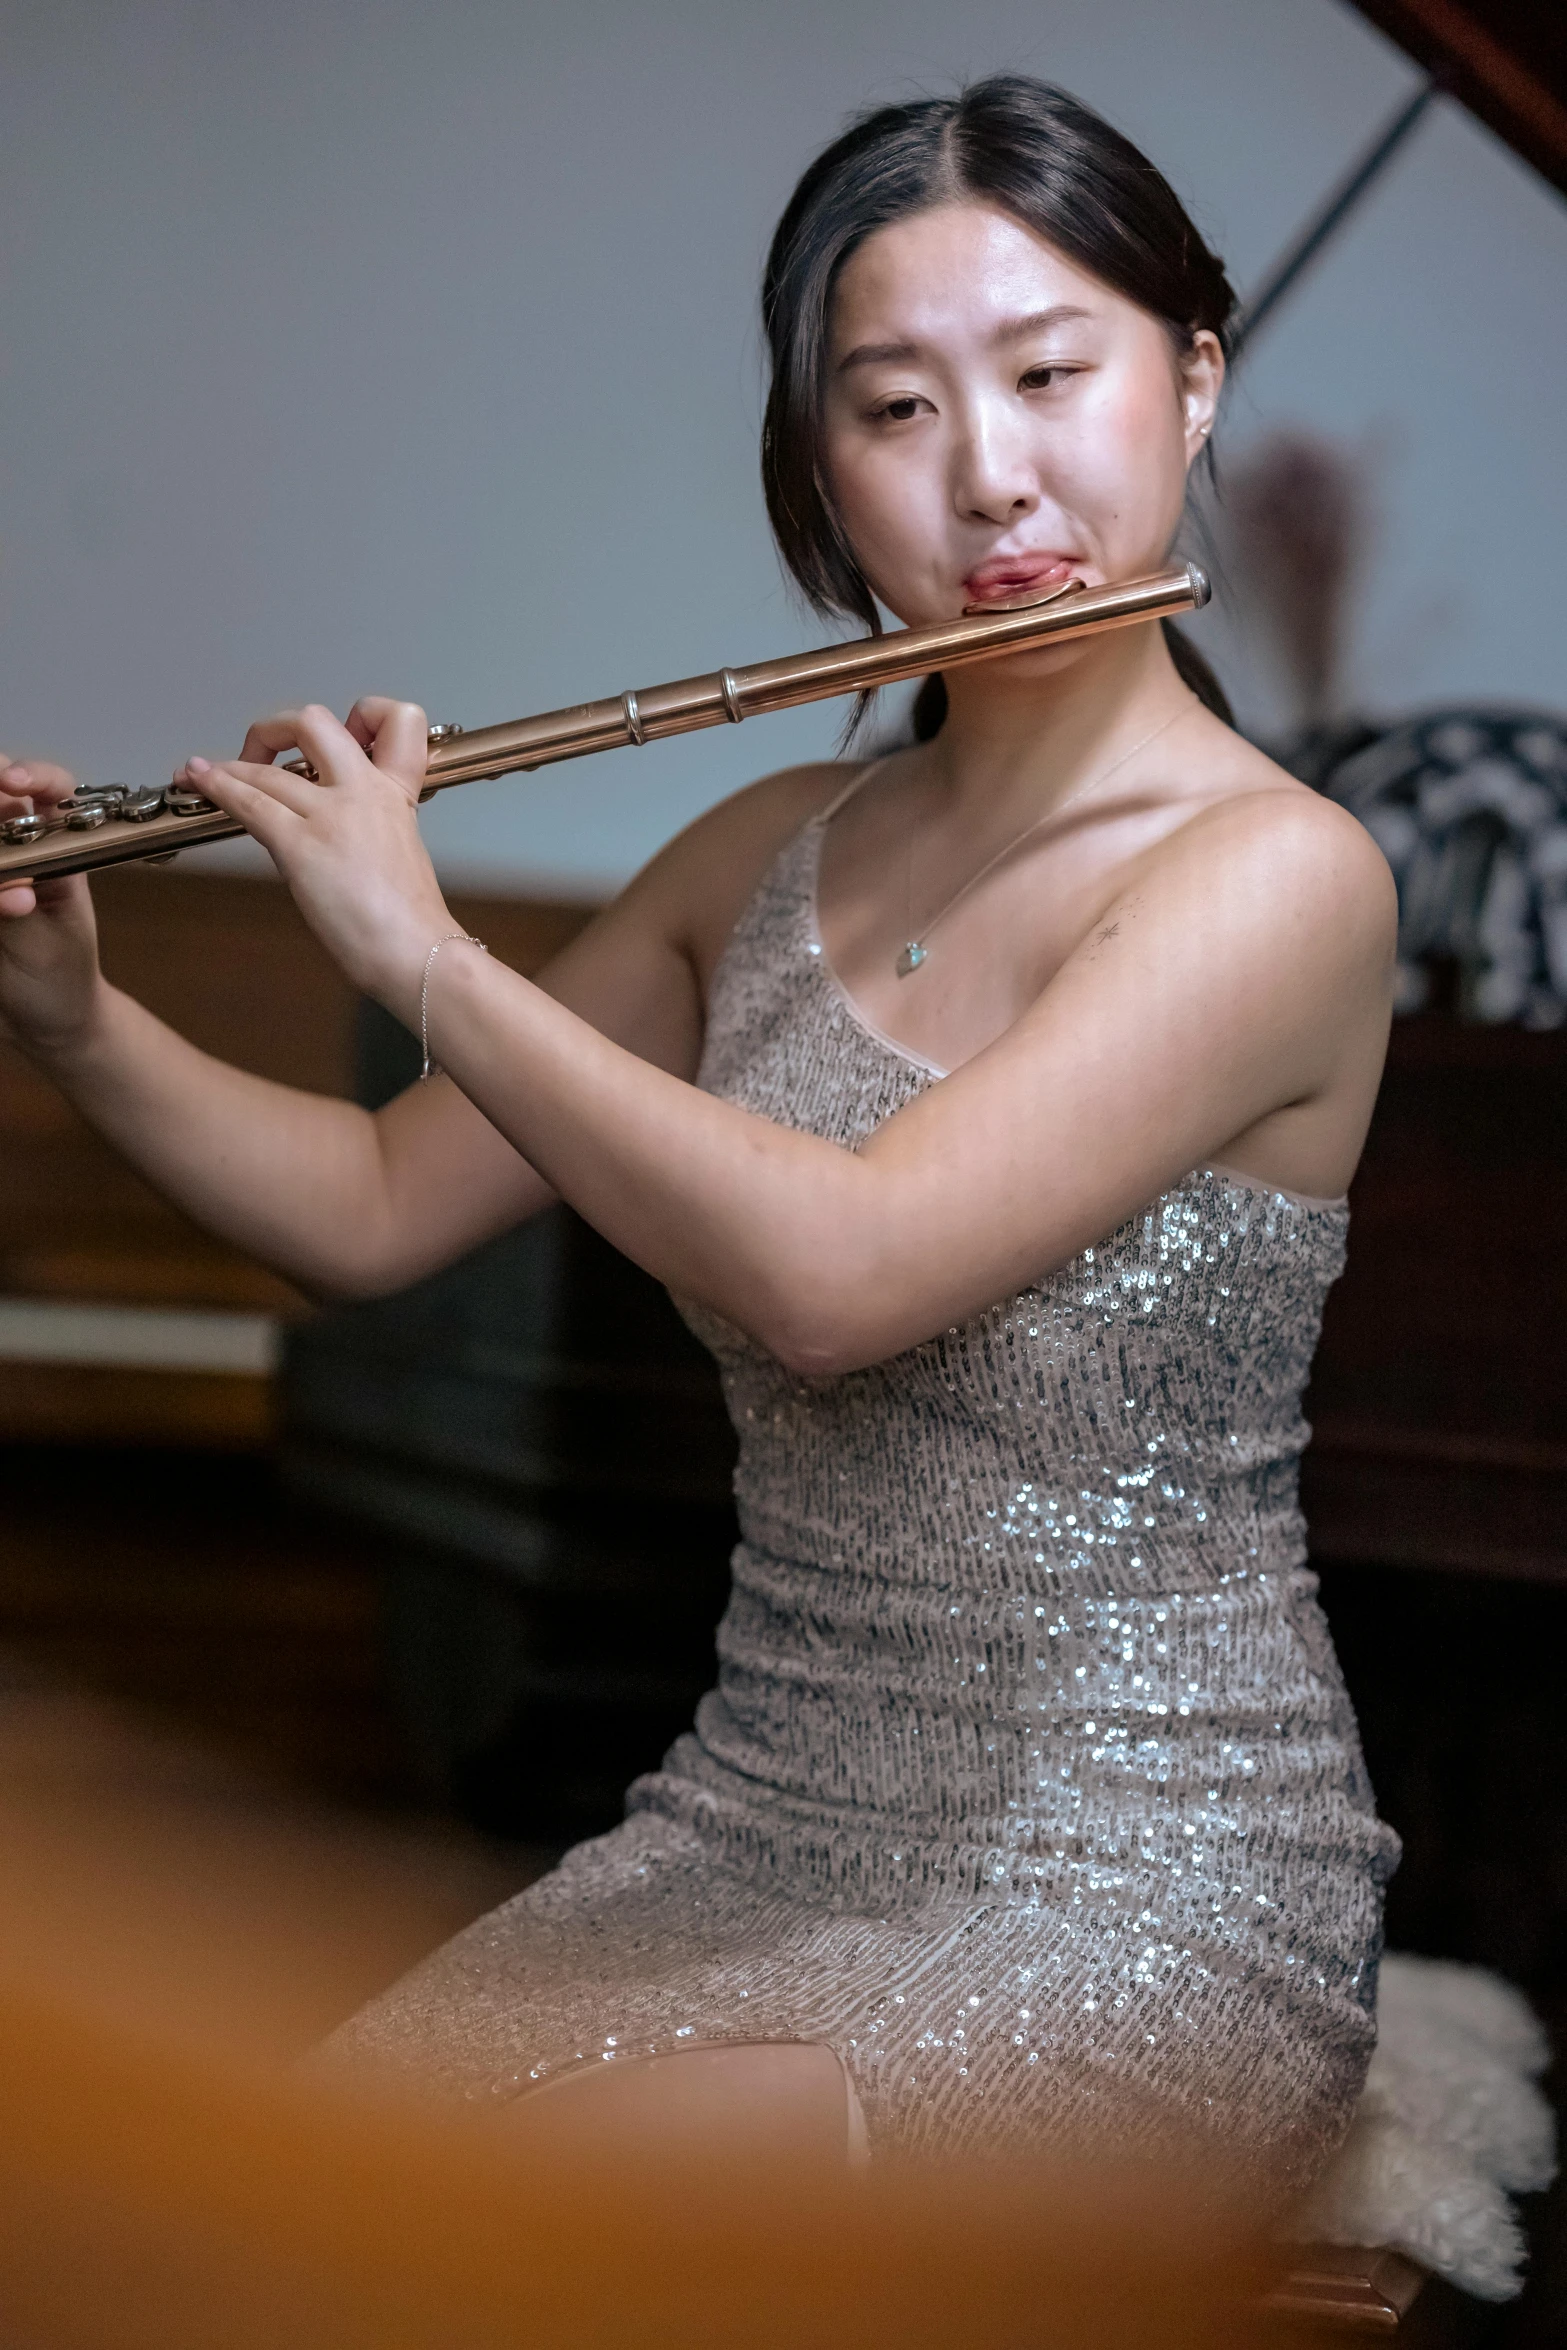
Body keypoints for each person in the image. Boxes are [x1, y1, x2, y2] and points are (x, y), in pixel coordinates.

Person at [0, 77, 1399, 2200]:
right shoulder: (759, 850)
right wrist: (79, 1017)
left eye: (1050, 373)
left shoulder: (1279, 881)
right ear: (819, 467)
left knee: (531, 2249)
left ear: (1191, 380)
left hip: (1143, 1873)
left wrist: (427, 955)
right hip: (747, 1827)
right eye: (896, 410)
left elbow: (839, 1276)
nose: (993, 475)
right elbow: (374, 1210)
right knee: (252, 2217)